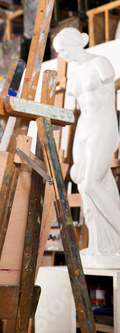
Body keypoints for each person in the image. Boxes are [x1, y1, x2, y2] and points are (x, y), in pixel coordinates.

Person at [53, 28, 120, 257]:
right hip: (83, 127)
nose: (63, 54)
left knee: (92, 182)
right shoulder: (74, 72)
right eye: (59, 52)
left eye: (64, 49)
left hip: (103, 126)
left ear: (75, 44)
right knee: (81, 180)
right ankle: (102, 244)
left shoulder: (101, 63)